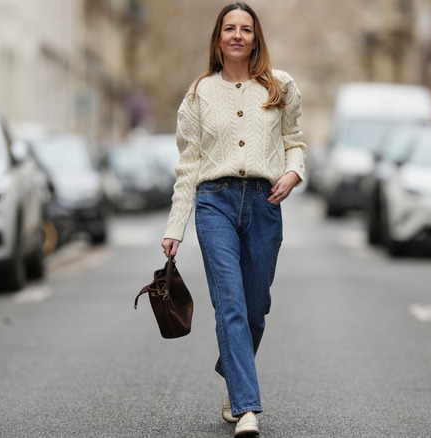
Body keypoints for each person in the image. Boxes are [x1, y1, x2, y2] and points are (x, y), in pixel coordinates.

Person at [160, 2, 306, 436]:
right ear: (218, 38)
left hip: (265, 203)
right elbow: (188, 165)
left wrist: (294, 172)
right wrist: (175, 227)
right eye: (229, 29)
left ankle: (233, 370)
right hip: (214, 202)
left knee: (256, 308)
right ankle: (245, 408)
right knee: (230, 305)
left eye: (246, 29)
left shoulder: (280, 86)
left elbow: (294, 140)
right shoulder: (199, 93)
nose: (237, 35)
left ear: (256, 37)